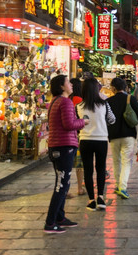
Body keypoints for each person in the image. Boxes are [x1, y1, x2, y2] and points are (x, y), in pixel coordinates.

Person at [45, 75, 88, 233]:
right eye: (68, 82)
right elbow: (69, 124)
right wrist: (83, 122)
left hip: (57, 146)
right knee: (61, 185)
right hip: (64, 146)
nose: (71, 84)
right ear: (62, 86)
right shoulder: (65, 102)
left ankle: (60, 217)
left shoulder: (55, 101)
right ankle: (50, 222)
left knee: (63, 183)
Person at [77, 77, 116, 211]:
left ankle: (91, 200)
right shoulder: (104, 104)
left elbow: (76, 124)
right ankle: (100, 197)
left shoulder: (79, 106)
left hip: (85, 140)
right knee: (100, 169)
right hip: (101, 140)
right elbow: (112, 120)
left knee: (88, 170)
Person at [106, 77, 138, 199]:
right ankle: (122, 187)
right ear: (125, 87)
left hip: (113, 135)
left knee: (116, 160)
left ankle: (118, 185)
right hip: (128, 135)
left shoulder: (108, 101)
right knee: (126, 162)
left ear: (113, 88)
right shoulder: (131, 99)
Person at [69, 78, 85, 196]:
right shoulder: (79, 100)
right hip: (78, 135)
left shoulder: (66, 99)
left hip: (69, 136)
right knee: (79, 164)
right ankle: (80, 187)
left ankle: (67, 188)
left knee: (68, 164)